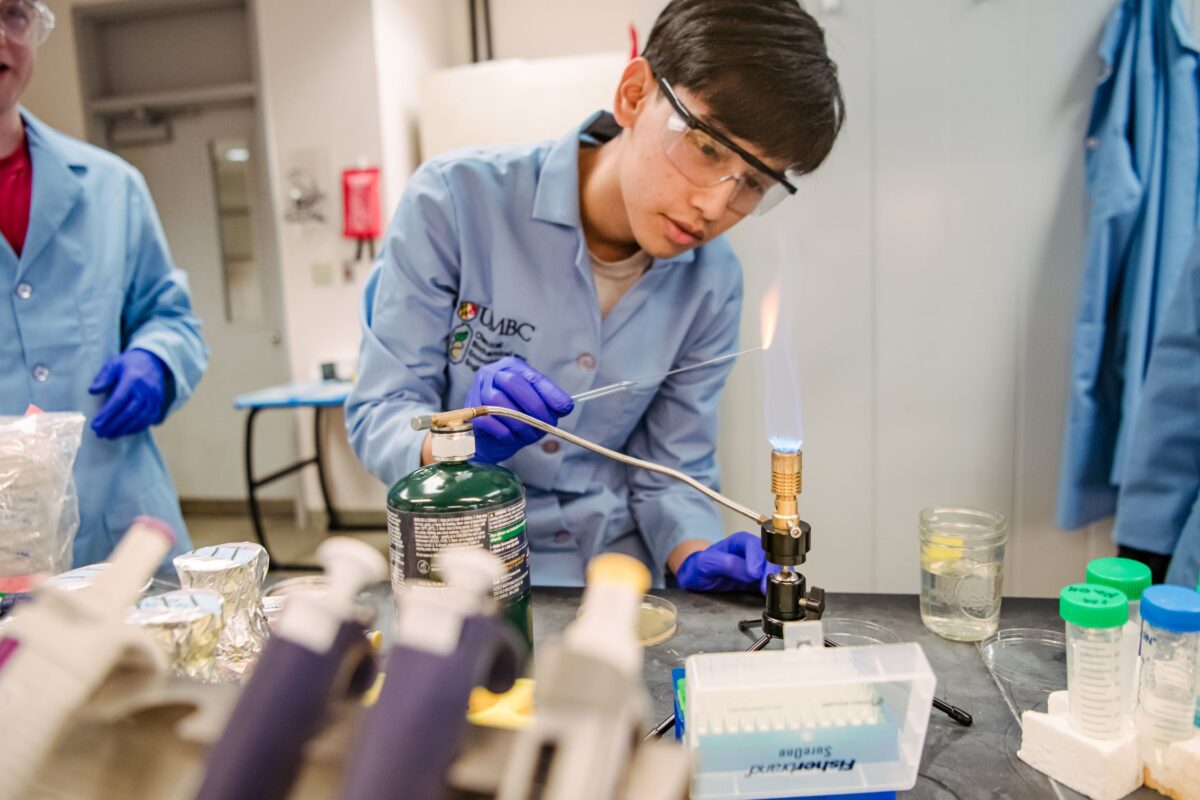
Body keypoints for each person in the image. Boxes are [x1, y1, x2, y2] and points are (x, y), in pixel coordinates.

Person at [347, 0, 843, 588]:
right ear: (634, 93)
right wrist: (454, 443)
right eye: (707, 148)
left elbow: (670, 468)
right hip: (462, 563)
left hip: (617, 571)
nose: (715, 206)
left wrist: (694, 553)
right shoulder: (455, 202)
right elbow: (380, 413)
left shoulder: (712, 280)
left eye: (754, 182)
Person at [0, 0, 208, 569]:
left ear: (36, 28)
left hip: (120, 530)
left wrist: (156, 361)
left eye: (12, 13)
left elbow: (171, 319)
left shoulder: (112, 187)